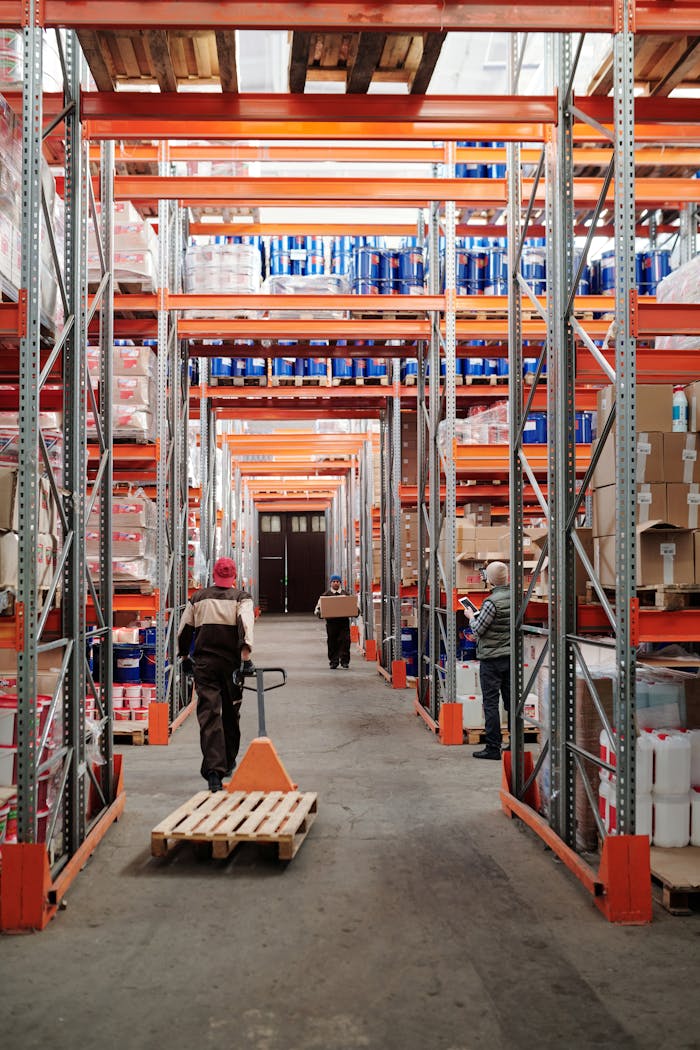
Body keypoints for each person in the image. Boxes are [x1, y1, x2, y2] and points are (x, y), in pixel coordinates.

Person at [177, 556, 255, 792]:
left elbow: (185, 629)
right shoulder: (242, 598)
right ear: (233, 576)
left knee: (210, 715)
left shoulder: (198, 598)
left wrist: (183, 656)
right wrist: (246, 658)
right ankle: (228, 762)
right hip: (231, 666)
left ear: (214, 574)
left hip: (205, 665)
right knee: (231, 713)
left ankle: (214, 771)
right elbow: (245, 625)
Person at [464, 560, 511, 761]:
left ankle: (493, 747)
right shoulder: (515, 597)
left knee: (491, 703)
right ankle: (514, 744)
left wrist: (471, 616)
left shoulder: (491, 603)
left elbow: (477, 630)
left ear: (489, 580)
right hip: (511, 657)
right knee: (511, 702)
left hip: (492, 659)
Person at [314, 573, 351, 670]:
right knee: (332, 642)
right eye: (334, 581)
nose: (335, 583)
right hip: (331, 623)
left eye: (337, 581)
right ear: (331, 583)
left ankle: (344, 661)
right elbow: (317, 608)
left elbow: (354, 606)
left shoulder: (346, 595)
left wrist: (357, 611)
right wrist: (319, 613)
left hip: (344, 623)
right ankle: (333, 661)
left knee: (345, 641)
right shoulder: (325, 596)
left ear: (340, 583)